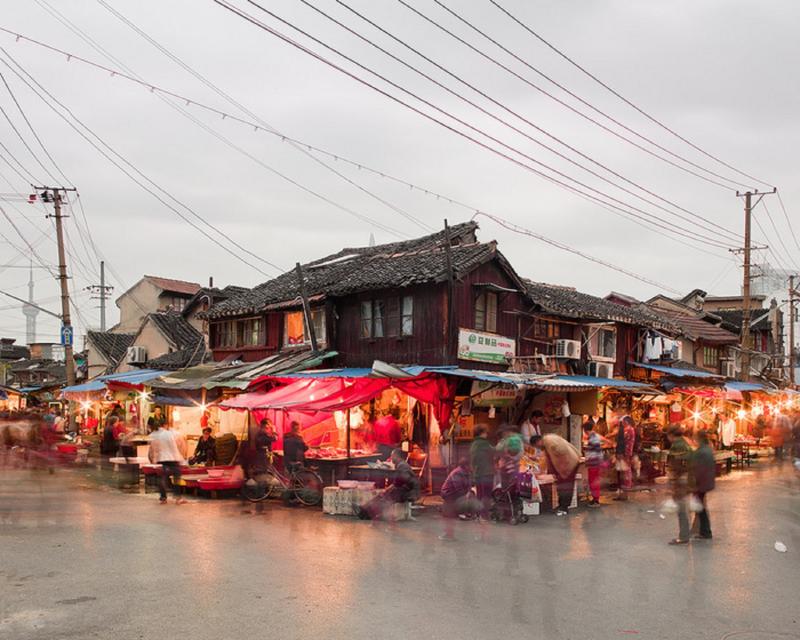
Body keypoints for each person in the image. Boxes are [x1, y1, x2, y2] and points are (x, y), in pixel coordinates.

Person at [359, 449, 418, 520]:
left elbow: (398, 483)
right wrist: (386, 490)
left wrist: (386, 490)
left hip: (409, 492)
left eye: (392, 455)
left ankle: (368, 513)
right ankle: (365, 508)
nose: (391, 457)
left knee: (387, 497)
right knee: (382, 494)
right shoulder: (401, 465)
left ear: (397, 456)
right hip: (405, 489)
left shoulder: (403, 466)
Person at [537, 434, 581, 516]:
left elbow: (561, 451)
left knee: (566, 486)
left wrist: (561, 469)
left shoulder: (549, 441)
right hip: (566, 465)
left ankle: (564, 508)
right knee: (561, 486)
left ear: (538, 442)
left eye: (537, 446)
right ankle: (561, 506)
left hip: (569, 464)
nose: (538, 448)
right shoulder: (547, 442)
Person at [148, 421, 187, 505]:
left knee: (163, 477)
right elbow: (177, 444)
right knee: (177, 477)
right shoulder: (169, 433)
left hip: (160, 459)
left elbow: (151, 449)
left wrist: (152, 459)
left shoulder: (153, 435)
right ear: (164, 425)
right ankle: (178, 498)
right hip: (172, 458)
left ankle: (163, 498)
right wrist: (181, 457)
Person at [666, 425, 691, 545]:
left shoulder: (677, 445)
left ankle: (684, 536)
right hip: (688, 477)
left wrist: (673, 480)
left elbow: (676, 465)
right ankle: (686, 533)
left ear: (671, 435)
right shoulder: (686, 441)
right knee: (684, 507)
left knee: (681, 508)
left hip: (682, 478)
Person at [439, 458, 473, 540]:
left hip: (456, 495)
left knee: (452, 515)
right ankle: (448, 534)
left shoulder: (467, 473)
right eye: (471, 465)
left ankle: (450, 534)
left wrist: (469, 492)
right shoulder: (457, 473)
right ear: (466, 466)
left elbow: (469, 485)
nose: (473, 466)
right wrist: (466, 496)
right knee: (449, 515)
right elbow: (458, 488)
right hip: (449, 494)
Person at [690, 429, 715, 540]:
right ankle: (703, 530)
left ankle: (705, 531)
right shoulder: (707, 449)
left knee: (700, 507)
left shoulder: (701, 452)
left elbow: (697, 469)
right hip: (705, 482)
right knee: (700, 506)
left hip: (700, 483)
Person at [470, 425, 495, 520]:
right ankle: (484, 515)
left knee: (480, 494)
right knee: (486, 495)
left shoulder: (474, 444)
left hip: (478, 473)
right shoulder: (484, 443)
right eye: (485, 432)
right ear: (482, 433)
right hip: (487, 472)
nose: (487, 434)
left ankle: (479, 514)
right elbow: (495, 451)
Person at [583, 420, 606, 507]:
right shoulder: (593, 436)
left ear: (585, 430)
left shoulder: (593, 437)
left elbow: (596, 450)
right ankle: (595, 499)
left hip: (594, 463)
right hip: (594, 462)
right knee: (593, 481)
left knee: (593, 482)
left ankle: (596, 501)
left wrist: (588, 458)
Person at [614, 415, 637, 501]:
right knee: (623, 473)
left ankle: (624, 495)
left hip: (625, 454)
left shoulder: (628, 430)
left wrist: (620, 453)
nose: (622, 423)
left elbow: (621, 442)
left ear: (626, 422)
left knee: (624, 474)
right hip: (626, 454)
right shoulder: (630, 429)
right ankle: (623, 495)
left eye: (623, 421)